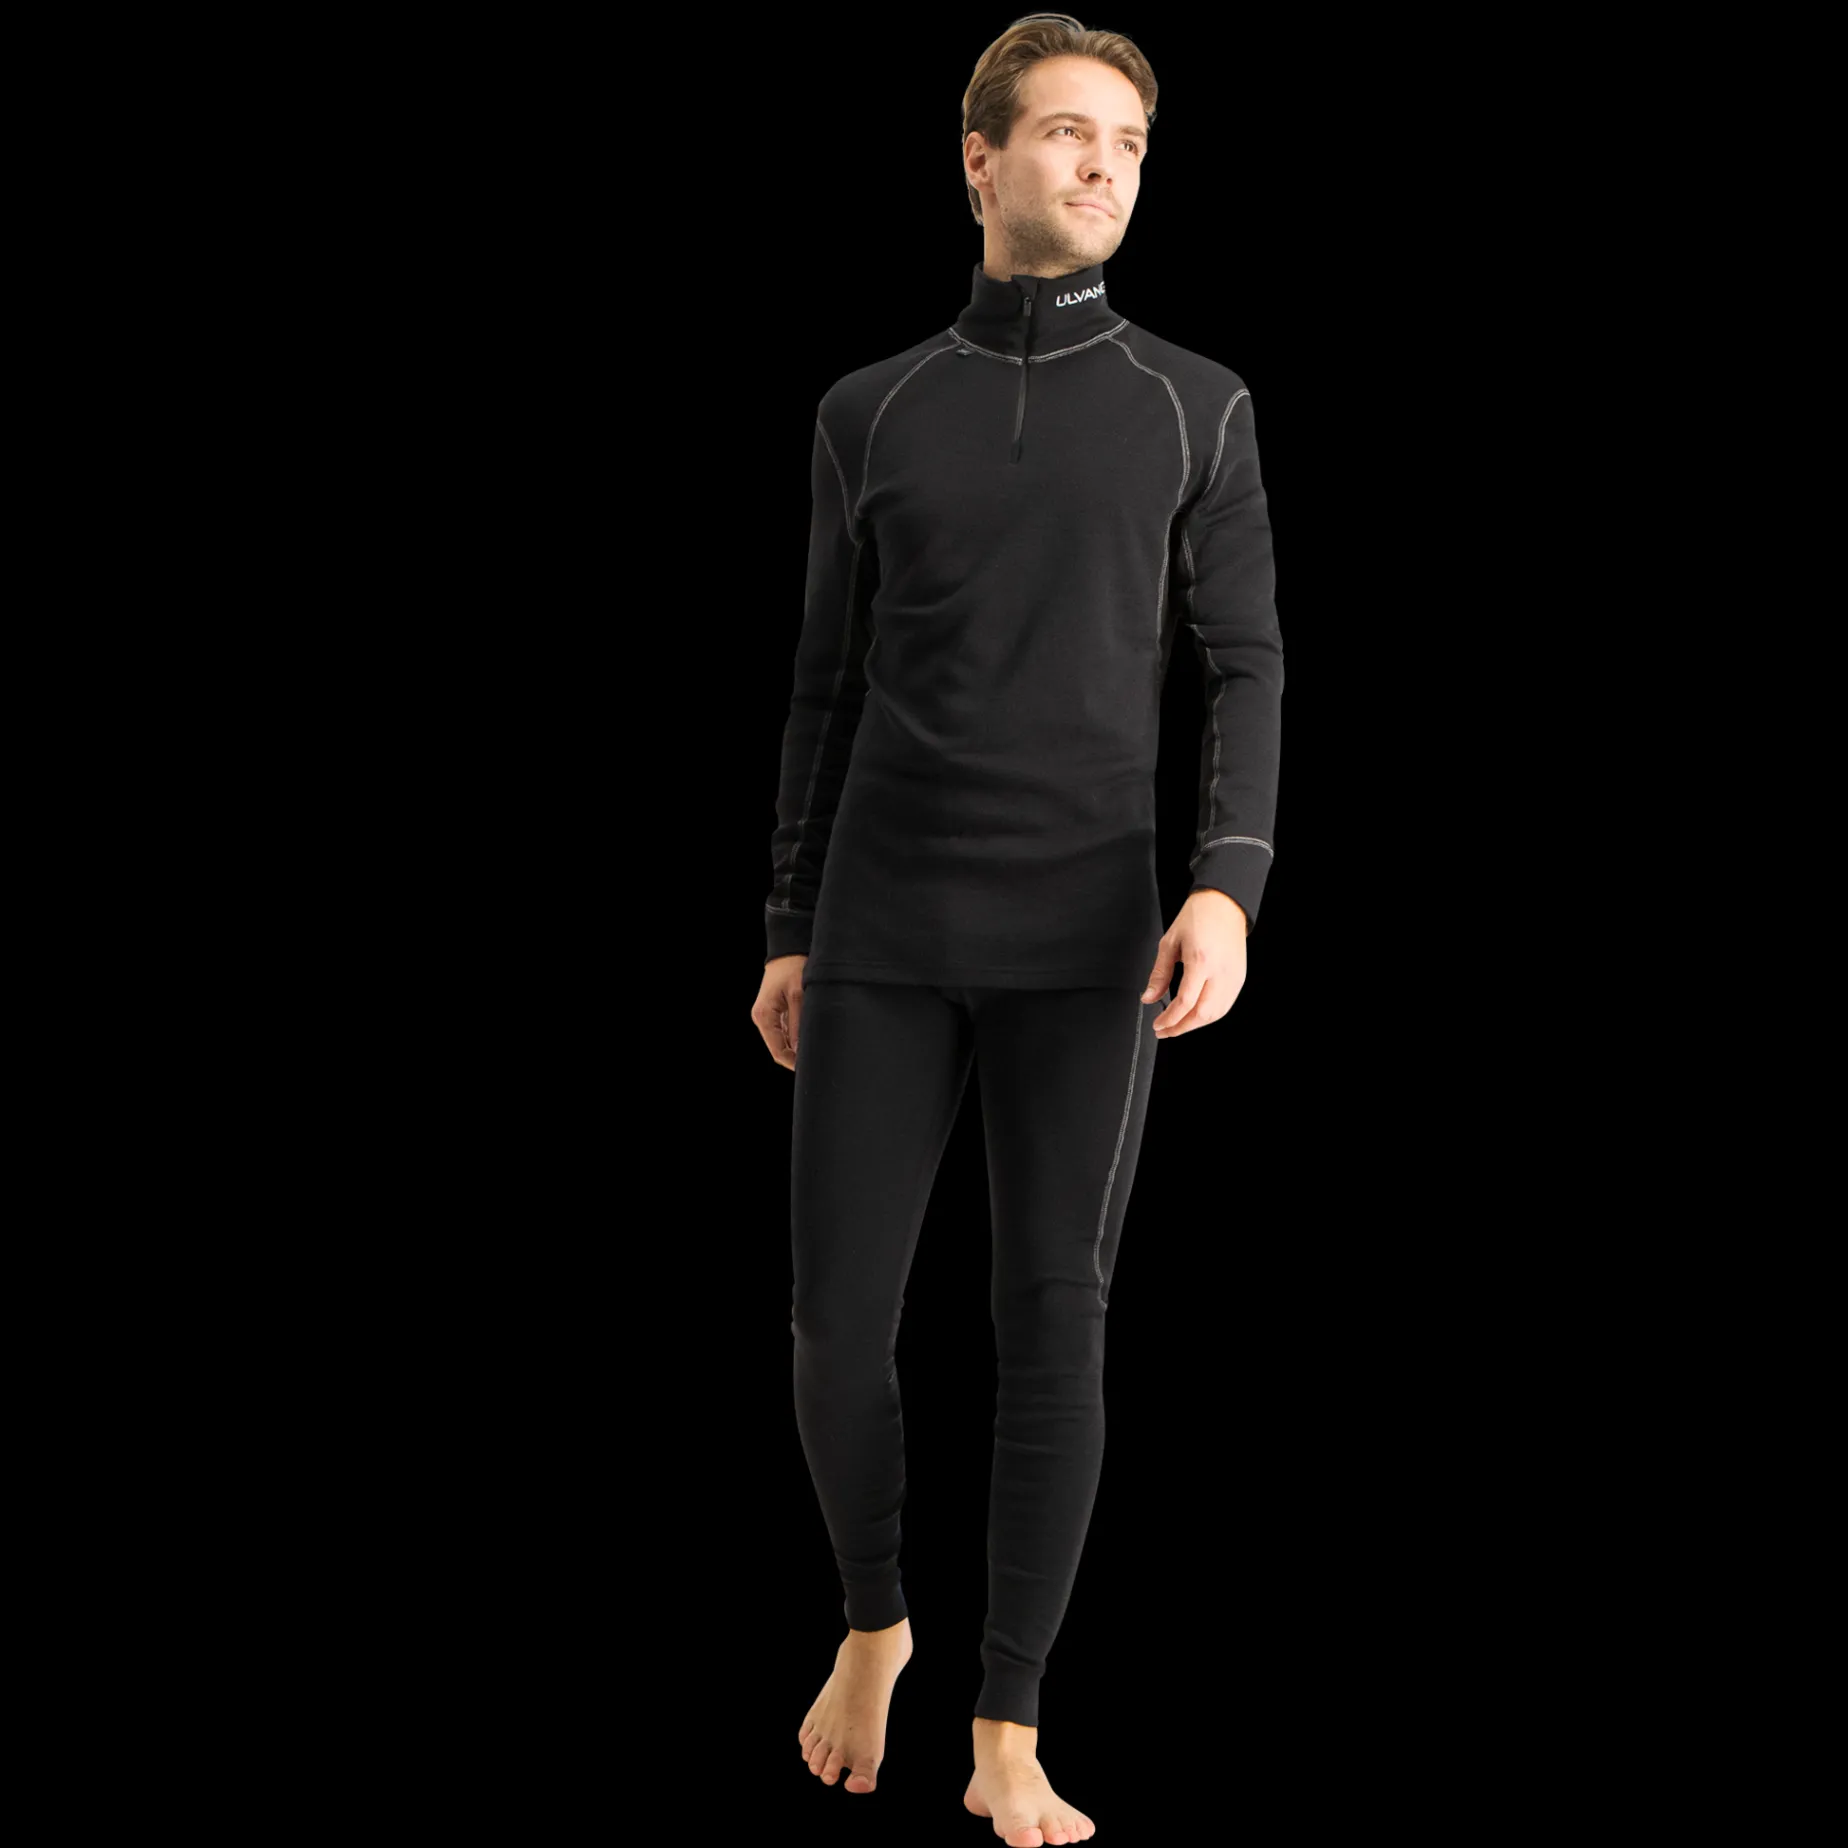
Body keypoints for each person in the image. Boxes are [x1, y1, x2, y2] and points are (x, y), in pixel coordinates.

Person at [749, 15, 1282, 1845]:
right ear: (978, 160)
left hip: (1089, 935)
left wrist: (1225, 882)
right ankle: (874, 1620)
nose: (1104, 163)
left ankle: (1007, 1720)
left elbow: (1246, 663)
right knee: (837, 1324)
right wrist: (788, 925)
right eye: (1066, 132)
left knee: (1054, 1316)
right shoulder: (871, 408)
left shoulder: (1196, 403)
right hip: (884, 922)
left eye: (1129, 141)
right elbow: (821, 689)